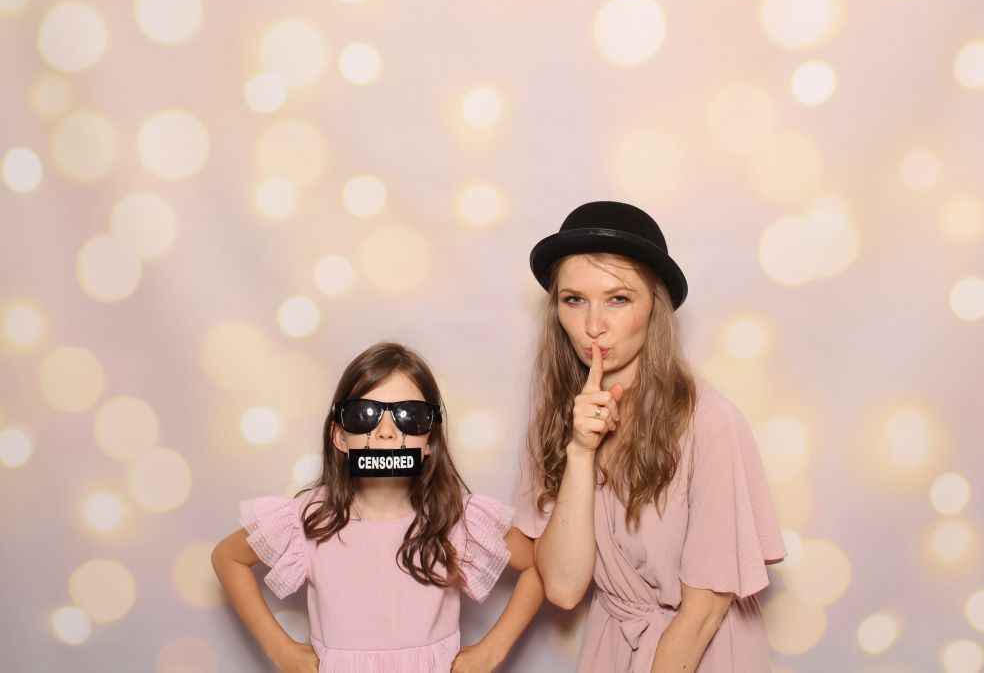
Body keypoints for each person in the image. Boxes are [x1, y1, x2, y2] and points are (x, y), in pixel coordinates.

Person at [514, 201, 786, 672]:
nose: (593, 325)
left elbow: (702, 616)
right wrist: (580, 452)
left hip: (700, 652)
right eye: (574, 299)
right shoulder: (560, 415)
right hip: (611, 645)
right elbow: (562, 587)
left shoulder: (711, 424)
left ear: (654, 308)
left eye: (618, 299)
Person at [212, 342, 543, 672]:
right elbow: (227, 557)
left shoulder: (456, 518)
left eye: (409, 416)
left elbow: (539, 567)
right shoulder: (310, 518)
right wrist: (280, 649)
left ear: (430, 439)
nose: (386, 432)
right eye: (364, 415)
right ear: (339, 437)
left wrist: (491, 651)